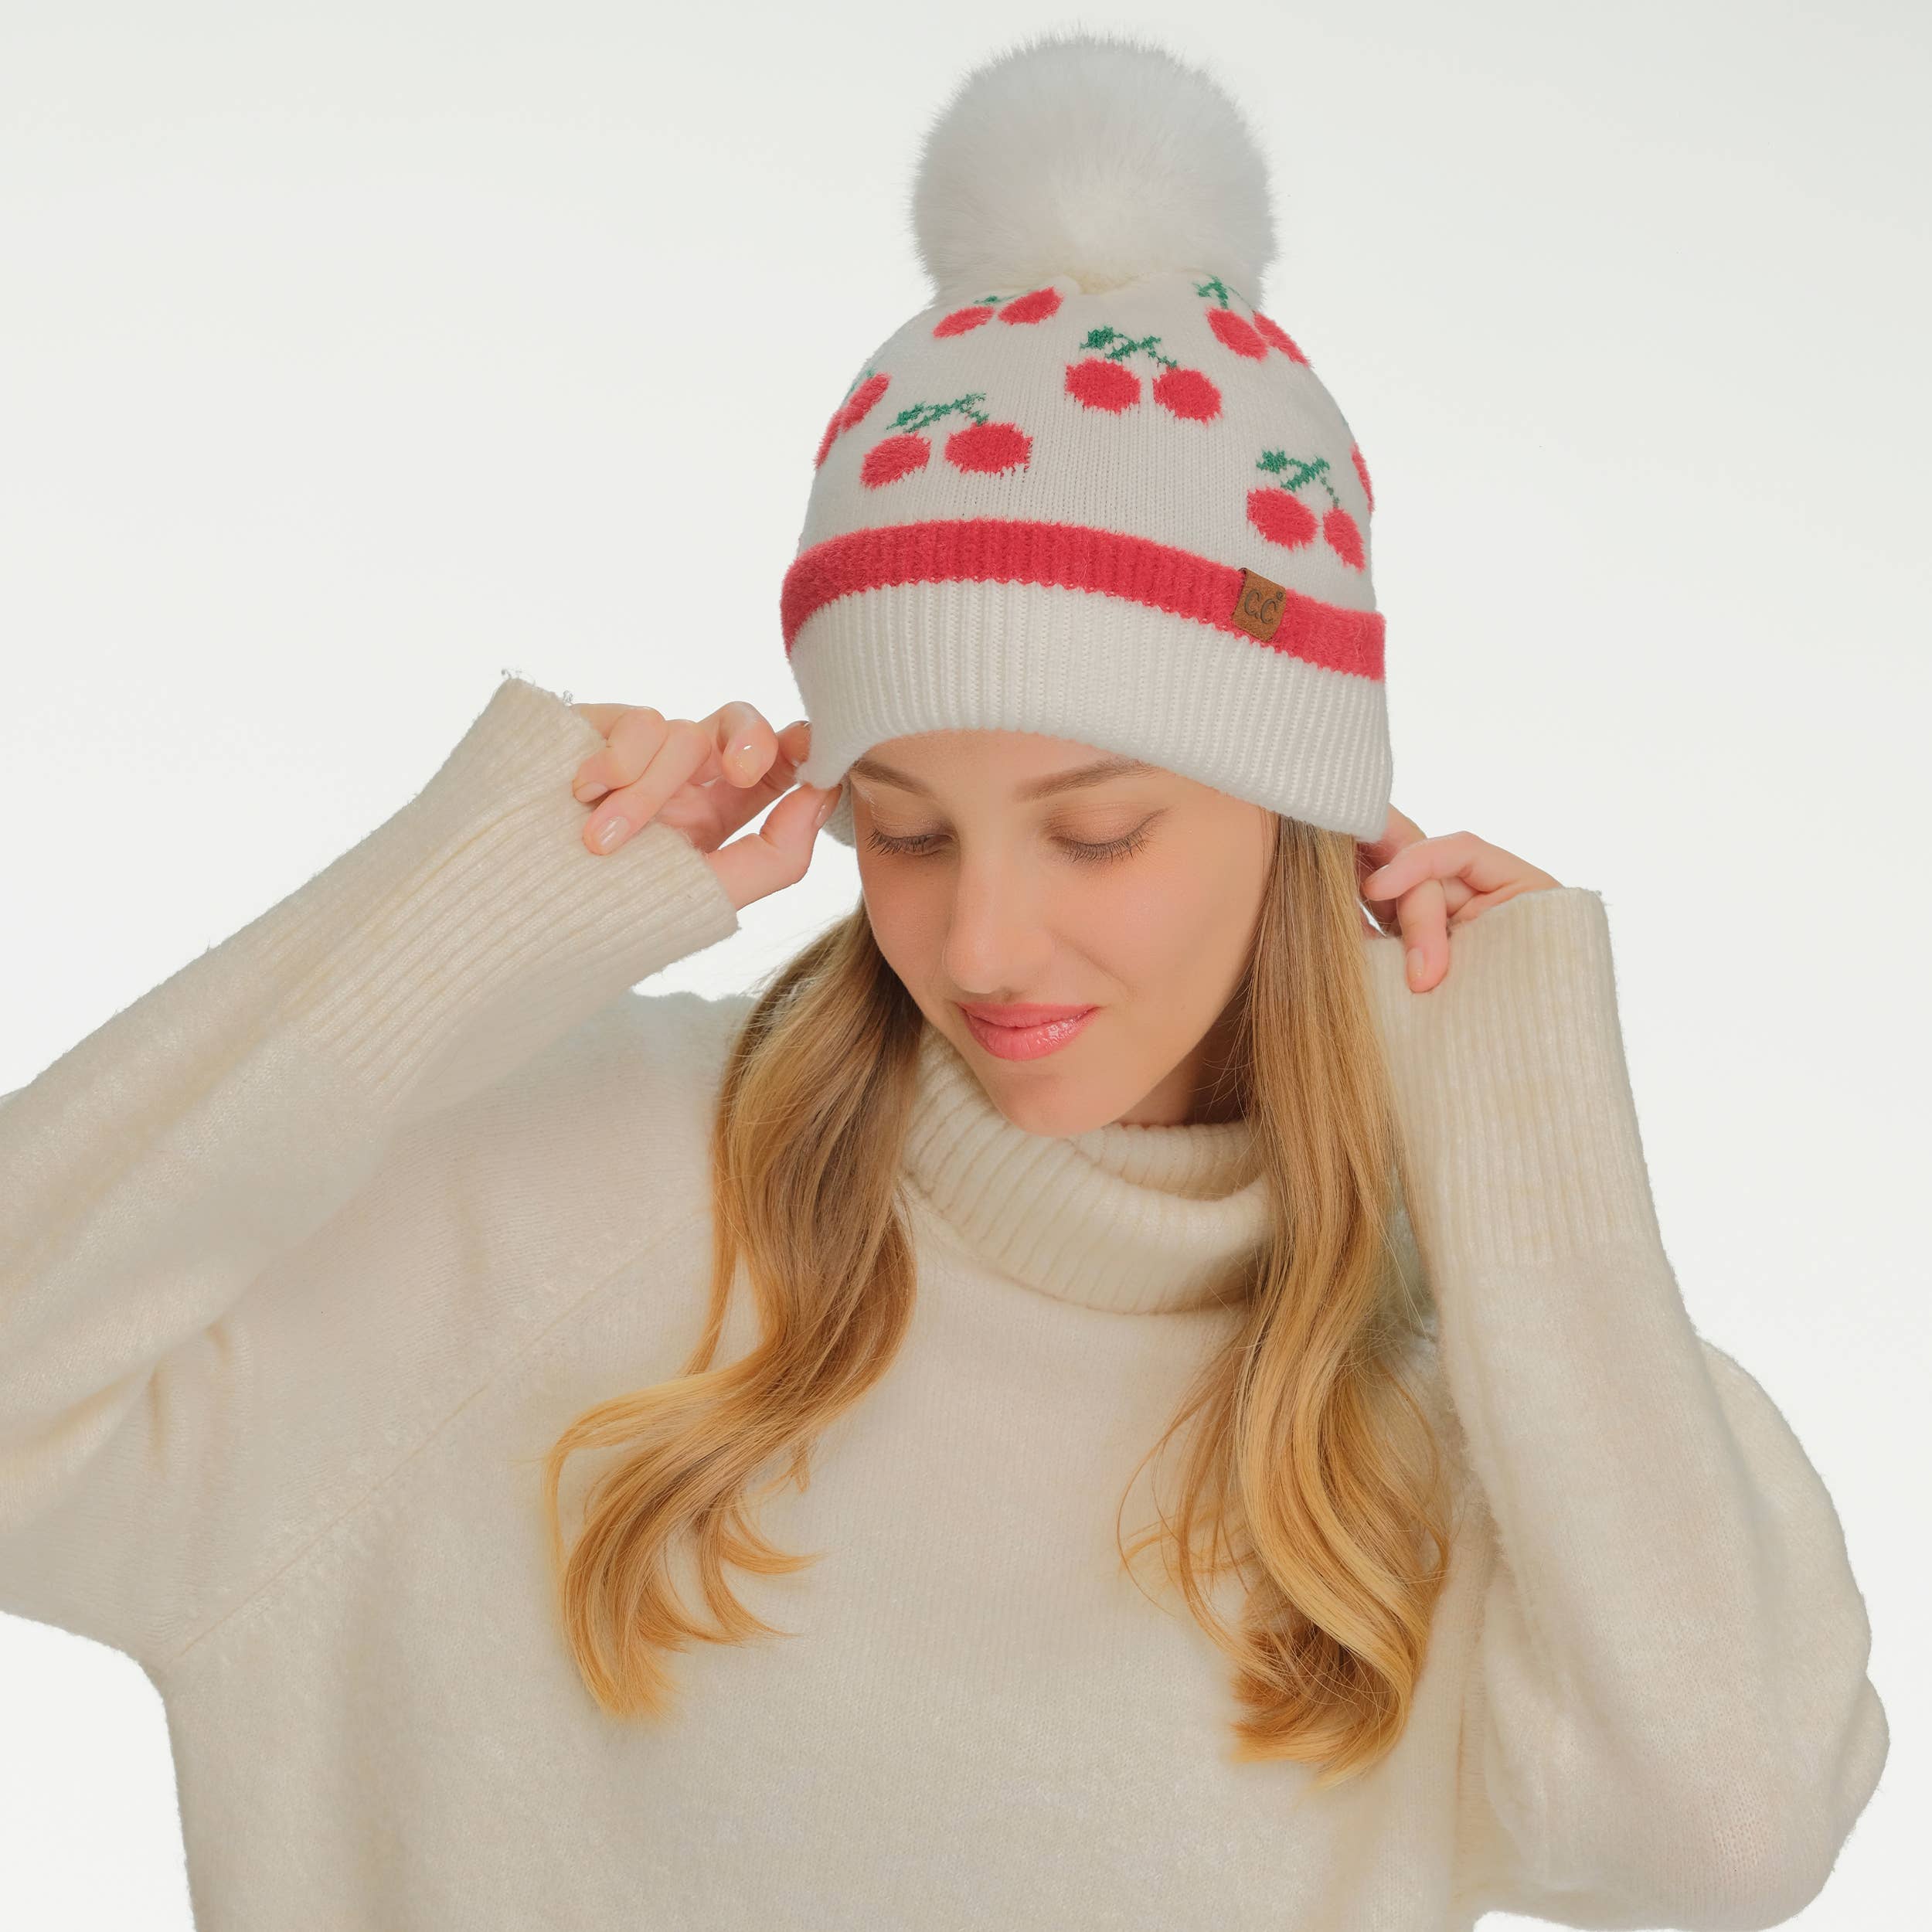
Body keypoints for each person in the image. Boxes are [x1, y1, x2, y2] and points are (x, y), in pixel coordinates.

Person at [0, 27, 1886, 1932]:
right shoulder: (573, 1192)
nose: (978, 945)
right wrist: (455, 916)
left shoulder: (1467, 1392)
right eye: (901, 829)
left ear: (1304, 816)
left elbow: (1715, 1843)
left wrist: (1528, 1156)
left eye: (1096, 831)